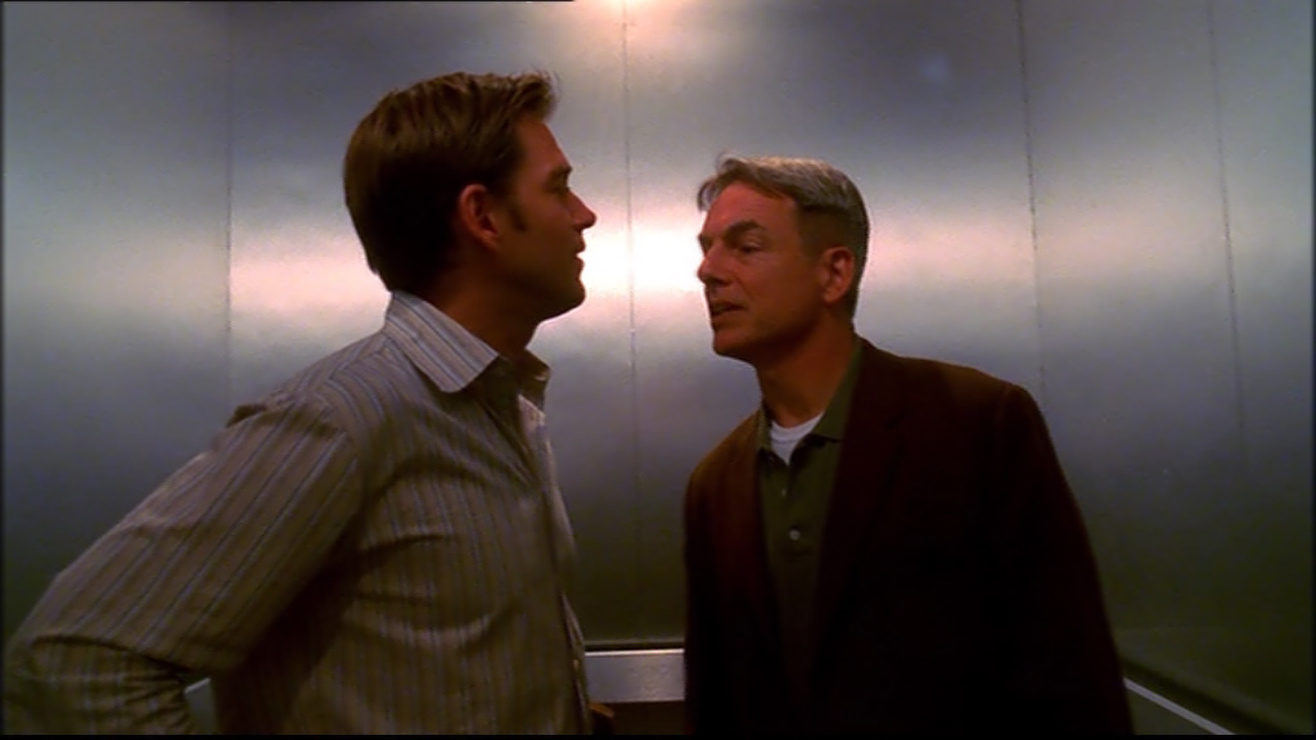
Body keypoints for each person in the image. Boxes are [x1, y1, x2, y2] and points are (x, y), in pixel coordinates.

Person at [4, 71, 606, 734]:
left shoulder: (502, 409)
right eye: (558, 187)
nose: (584, 214)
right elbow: (77, 661)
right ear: (483, 217)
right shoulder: (344, 416)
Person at [682, 155, 1133, 734]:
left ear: (834, 273)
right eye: (707, 248)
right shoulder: (716, 483)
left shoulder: (974, 423)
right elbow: (716, 701)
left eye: (745, 247)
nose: (709, 271)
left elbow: (1070, 671)